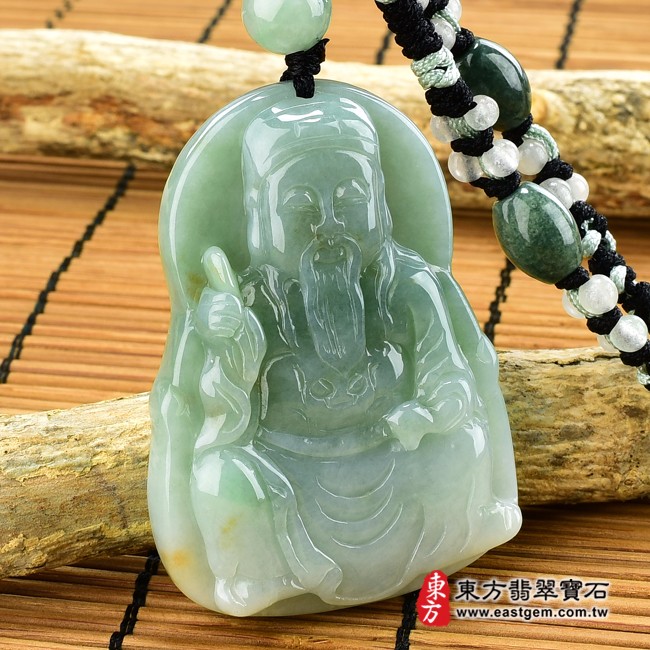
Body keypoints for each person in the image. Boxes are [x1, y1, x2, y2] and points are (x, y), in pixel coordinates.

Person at [185, 94, 520, 616]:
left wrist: (429, 414)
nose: (328, 227)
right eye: (300, 209)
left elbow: (452, 378)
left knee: (465, 442)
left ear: (379, 204)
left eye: (348, 203)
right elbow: (220, 413)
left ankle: (461, 528)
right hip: (286, 469)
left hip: (396, 454)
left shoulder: (410, 287)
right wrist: (229, 345)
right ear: (260, 215)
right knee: (218, 477)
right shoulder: (251, 301)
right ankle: (264, 574)